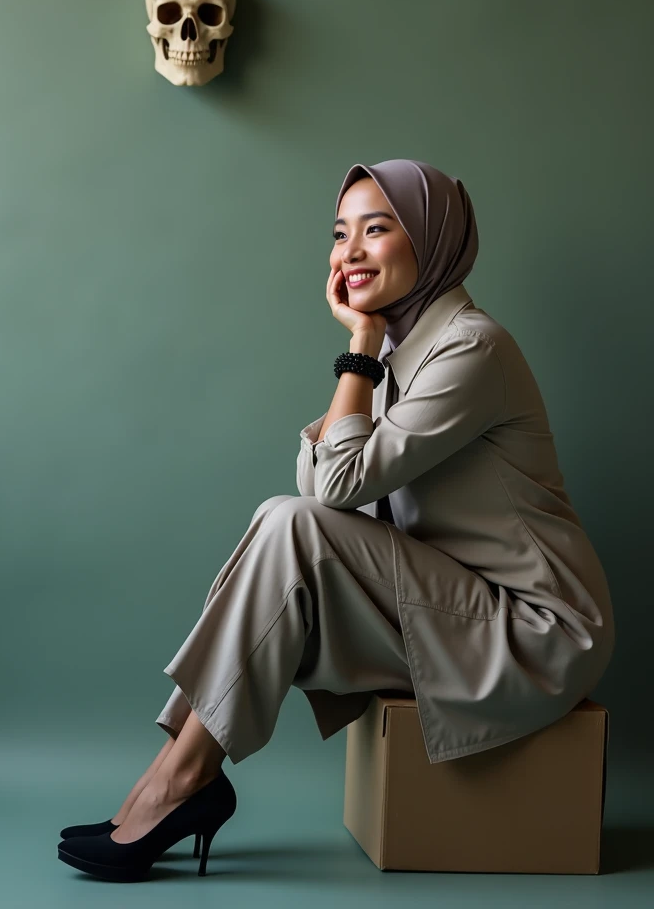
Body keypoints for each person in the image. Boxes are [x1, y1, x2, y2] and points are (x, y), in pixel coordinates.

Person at [57, 159, 615, 882]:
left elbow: (336, 488)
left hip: (535, 629)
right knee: (281, 519)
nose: (348, 252)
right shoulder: (403, 349)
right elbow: (321, 483)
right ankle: (174, 771)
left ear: (433, 241)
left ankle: (180, 779)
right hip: (456, 603)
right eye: (339, 232)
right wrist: (370, 351)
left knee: (292, 525)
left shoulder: (471, 349)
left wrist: (357, 348)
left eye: (376, 230)